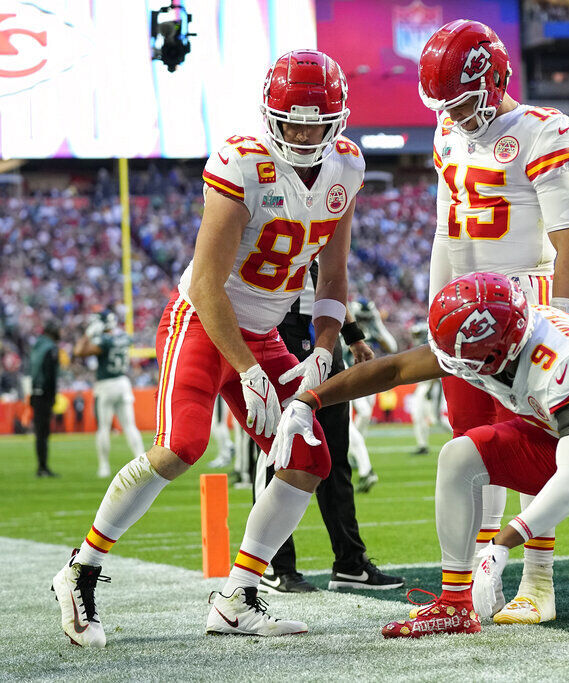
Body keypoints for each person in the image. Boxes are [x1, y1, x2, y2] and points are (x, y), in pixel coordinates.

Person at [51, 49, 367, 648]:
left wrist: (324, 349)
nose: (303, 134)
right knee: (182, 445)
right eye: (291, 120)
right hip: (203, 322)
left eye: (316, 122)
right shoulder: (243, 161)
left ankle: (237, 595)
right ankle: (80, 569)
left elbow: (332, 277)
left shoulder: (344, 168)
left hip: (263, 332)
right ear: (269, 116)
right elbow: (205, 283)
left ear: (339, 120)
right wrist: (248, 369)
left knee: (307, 457)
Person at [270, 273, 569, 641]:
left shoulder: (564, 362)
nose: (459, 368)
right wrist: (309, 400)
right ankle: (454, 603)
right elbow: (394, 368)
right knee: (457, 457)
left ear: (504, 348)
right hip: (555, 426)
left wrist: (500, 545)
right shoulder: (493, 335)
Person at [420, 19, 569, 624]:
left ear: (493, 83)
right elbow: (445, 229)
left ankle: (537, 581)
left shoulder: (544, 131)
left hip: (526, 307)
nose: (455, 115)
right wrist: (434, 309)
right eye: (445, 105)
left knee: (530, 449)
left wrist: (563, 318)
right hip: (463, 313)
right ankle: (462, 591)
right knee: (471, 450)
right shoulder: (448, 131)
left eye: (463, 102)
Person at [252, 267, 404, 594]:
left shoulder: (324, 220)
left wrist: (354, 336)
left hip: (325, 336)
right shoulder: (272, 218)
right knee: (277, 454)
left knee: (336, 459)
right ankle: (272, 565)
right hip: (280, 333)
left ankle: (350, 562)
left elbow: (329, 281)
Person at [73, 311, 145, 478]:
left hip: (106, 385)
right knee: (130, 426)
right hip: (123, 382)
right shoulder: (124, 337)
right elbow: (122, 340)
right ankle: (141, 462)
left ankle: (104, 466)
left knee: (103, 428)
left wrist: (88, 334)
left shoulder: (103, 341)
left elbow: (79, 351)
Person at [346, 298, 398, 492]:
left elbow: (391, 346)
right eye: (362, 318)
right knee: (350, 423)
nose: (364, 321)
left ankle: (355, 455)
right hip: (345, 375)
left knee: (365, 416)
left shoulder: (373, 327)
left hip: (367, 379)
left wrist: (377, 322)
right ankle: (365, 468)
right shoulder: (346, 324)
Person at [409, 321, 448, 455]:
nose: (415, 336)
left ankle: (463, 436)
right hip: (422, 385)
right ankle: (422, 445)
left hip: (432, 385)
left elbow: (435, 371)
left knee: (437, 419)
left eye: (417, 334)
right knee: (417, 416)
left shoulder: (432, 346)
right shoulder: (419, 347)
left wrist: (431, 389)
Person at [30, 320, 60, 477]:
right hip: (45, 395)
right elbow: (50, 376)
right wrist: (53, 396)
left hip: (35, 392)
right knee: (43, 433)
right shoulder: (50, 348)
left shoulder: (37, 346)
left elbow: (34, 371)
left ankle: (42, 466)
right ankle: (42, 467)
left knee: (39, 432)